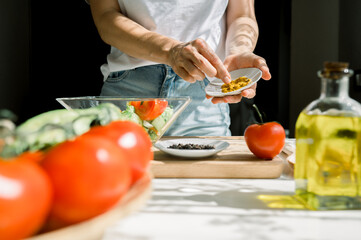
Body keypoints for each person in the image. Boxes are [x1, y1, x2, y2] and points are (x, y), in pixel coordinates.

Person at [88, 0, 271, 136]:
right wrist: (171, 51)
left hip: (203, 96)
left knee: (204, 184)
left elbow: (242, 15)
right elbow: (105, 17)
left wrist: (240, 50)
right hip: (129, 92)